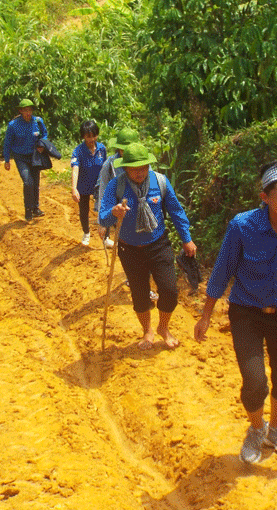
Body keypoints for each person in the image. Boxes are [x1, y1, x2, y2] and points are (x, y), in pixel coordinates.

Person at [194, 159, 277, 465]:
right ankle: (256, 430)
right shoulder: (242, 226)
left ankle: (276, 430)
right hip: (246, 313)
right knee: (255, 381)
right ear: (264, 197)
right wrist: (206, 315)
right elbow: (222, 271)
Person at [98, 142, 197, 350]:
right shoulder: (116, 186)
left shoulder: (160, 181)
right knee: (140, 295)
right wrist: (113, 213)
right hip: (129, 249)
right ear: (125, 168)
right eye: (134, 169)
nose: (140, 172)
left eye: (143, 167)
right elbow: (103, 218)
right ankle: (147, 331)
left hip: (158, 244)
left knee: (169, 291)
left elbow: (176, 211)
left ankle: (163, 327)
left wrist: (186, 238)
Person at [3, 98, 48, 221]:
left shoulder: (38, 122)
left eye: (30, 110)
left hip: (34, 156)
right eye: (25, 110)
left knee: (36, 182)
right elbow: (7, 143)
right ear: (21, 111)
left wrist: (41, 145)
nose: (28, 113)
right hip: (20, 157)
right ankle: (28, 209)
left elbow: (44, 134)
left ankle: (35, 208)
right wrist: (7, 160)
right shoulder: (13, 125)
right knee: (28, 182)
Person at [96, 127, 138, 249]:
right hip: (119, 209)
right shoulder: (109, 165)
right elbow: (103, 192)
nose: (126, 152)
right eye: (123, 149)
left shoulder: (143, 164)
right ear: (118, 148)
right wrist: (102, 222)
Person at [70, 120, 107, 247]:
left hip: (98, 186)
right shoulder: (78, 151)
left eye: (93, 135)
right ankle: (86, 232)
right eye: (88, 136)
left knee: (103, 209)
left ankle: (106, 237)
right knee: (84, 211)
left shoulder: (102, 149)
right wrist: (74, 188)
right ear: (83, 136)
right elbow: (75, 169)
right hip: (83, 186)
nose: (91, 139)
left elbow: (106, 167)